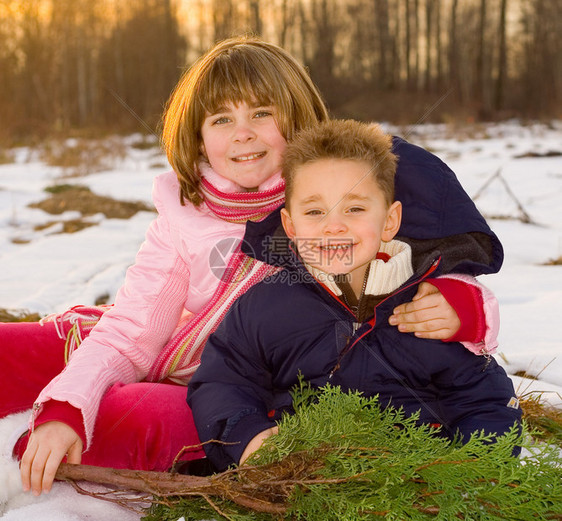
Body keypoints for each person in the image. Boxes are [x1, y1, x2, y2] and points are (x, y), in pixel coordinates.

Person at [0, 37, 498, 498]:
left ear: (298, 116)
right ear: (197, 135)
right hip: (137, 341)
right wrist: (68, 404)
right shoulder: (185, 209)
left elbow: (432, 254)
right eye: (220, 119)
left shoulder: (333, 192)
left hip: (221, 385)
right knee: (15, 354)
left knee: (134, 419)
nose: (242, 134)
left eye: (262, 112)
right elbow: (131, 330)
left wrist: (463, 302)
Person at [187, 119, 521, 471]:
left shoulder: (427, 309)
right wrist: (250, 439)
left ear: (389, 221)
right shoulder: (263, 308)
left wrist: (469, 469)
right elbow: (222, 381)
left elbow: (485, 401)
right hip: (304, 477)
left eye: (355, 208)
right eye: (315, 211)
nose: (334, 226)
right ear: (290, 226)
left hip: (413, 477)